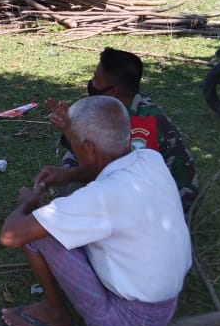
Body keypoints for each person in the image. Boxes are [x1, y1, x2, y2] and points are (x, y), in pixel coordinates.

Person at [0, 96, 192, 326]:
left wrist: (28, 200)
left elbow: (11, 235)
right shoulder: (150, 158)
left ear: (89, 148)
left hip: (129, 324)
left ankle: (55, 314)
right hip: (165, 304)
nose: (74, 150)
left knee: (40, 235)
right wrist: (68, 175)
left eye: (75, 146)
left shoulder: (102, 197)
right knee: (59, 225)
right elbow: (100, 164)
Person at [37, 47, 198, 214]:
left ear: (114, 91)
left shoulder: (143, 126)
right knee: (73, 164)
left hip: (166, 205)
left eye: (96, 78)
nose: (91, 83)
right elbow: (90, 149)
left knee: (79, 194)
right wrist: (69, 127)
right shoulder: (114, 107)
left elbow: (118, 176)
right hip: (135, 184)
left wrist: (67, 176)